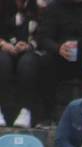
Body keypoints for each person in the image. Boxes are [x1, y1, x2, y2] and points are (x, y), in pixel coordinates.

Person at [37, 0, 82, 123]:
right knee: (45, 63)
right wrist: (58, 48)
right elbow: (43, 37)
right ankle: (47, 115)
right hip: (61, 57)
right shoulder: (54, 7)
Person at [0, 0, 43, 128]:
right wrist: (3, 44)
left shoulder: (38, 6)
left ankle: (26, 110)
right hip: (4, 47)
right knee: (2, 62)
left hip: (30, 49)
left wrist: (29, 45)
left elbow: (45, 32)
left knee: (27, 64)